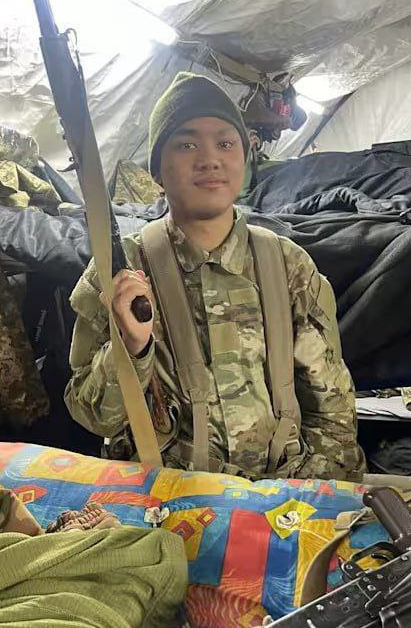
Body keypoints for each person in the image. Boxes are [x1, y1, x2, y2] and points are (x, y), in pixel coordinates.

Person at [65, 72, 365, 481]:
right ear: (157, 170)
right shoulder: (121, 271)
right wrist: (132, 349)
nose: (209, 159)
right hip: (168, 495)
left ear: (244, 158)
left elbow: (333, 414)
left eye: (225, 143)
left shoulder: (288, 266)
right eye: (187, 144)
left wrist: (305, 498)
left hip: (284, 493)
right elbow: (94, 416)